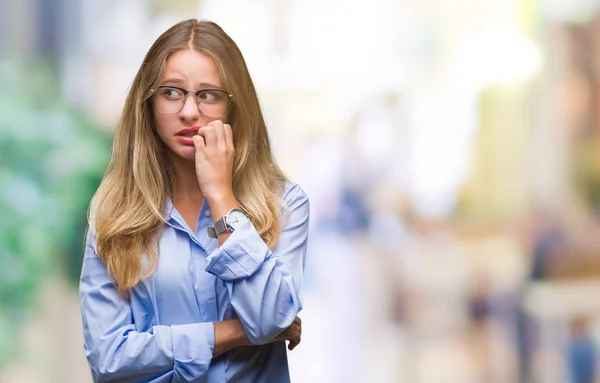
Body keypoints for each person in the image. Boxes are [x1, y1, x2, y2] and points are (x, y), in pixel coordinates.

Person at [79, 19, 310, 382]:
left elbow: (267, 318)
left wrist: (221, 197)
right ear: (149, 104)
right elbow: (108, 359)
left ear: (235, 106)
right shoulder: (115, 214)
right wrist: (231, 333)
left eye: (208, 95)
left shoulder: (283, 205)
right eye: (171, 92)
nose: (188, 112)